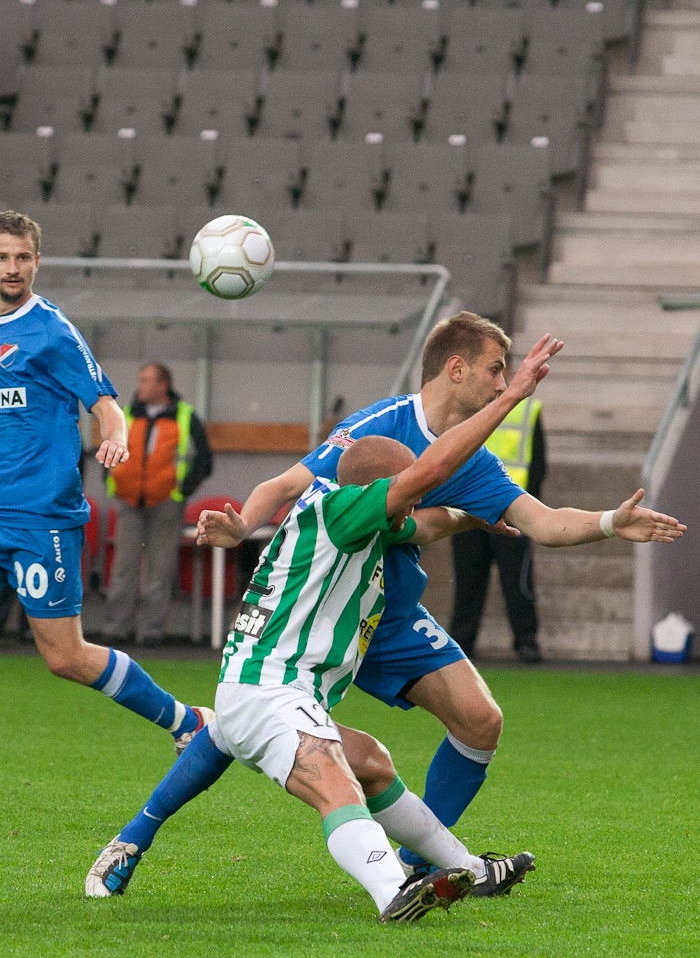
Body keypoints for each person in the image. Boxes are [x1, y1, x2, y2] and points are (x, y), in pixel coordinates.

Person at [86, 312, 685, 887]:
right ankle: (138, 834)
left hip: (386, 614)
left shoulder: (473, 459)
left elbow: (544, 522)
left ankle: (419, 865)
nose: (504, 381)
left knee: (478, 721)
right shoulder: (379, 427)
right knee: (247, 716)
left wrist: (611, 520)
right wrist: (243, 524)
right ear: (455, 369)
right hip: (316, 609)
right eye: (496, 369)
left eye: (507, 374)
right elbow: (290, 483)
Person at [0, 209, 211, 753]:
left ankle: (185, 720)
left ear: (38, 262)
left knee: (65, 657)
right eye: (3, 257)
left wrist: (112, 434)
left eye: (22, 257)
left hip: (39, 513)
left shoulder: (49, 330)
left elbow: (104, 402)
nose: (12, 267)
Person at [103, 362, 213, 647]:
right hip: (128, 500)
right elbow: (109, 446)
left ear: (163, 385)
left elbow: (203, 460)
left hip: (166, 502)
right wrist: (111, 480)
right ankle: (116, 629)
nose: (141, 386)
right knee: (123, 567)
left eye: (147, 381)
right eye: (140, 380)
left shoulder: (185, 416)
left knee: (160, 569)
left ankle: (150, 632)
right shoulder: (126, 414)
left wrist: (182, 490)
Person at [450, 351, 547, 662]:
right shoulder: (464, 408)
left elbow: (538, 463)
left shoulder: (528, 409)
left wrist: (523, 507)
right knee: (468, 582)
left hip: (510, 509)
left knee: (516, 581)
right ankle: (462, 644)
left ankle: (526, 641)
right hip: (467, 510)